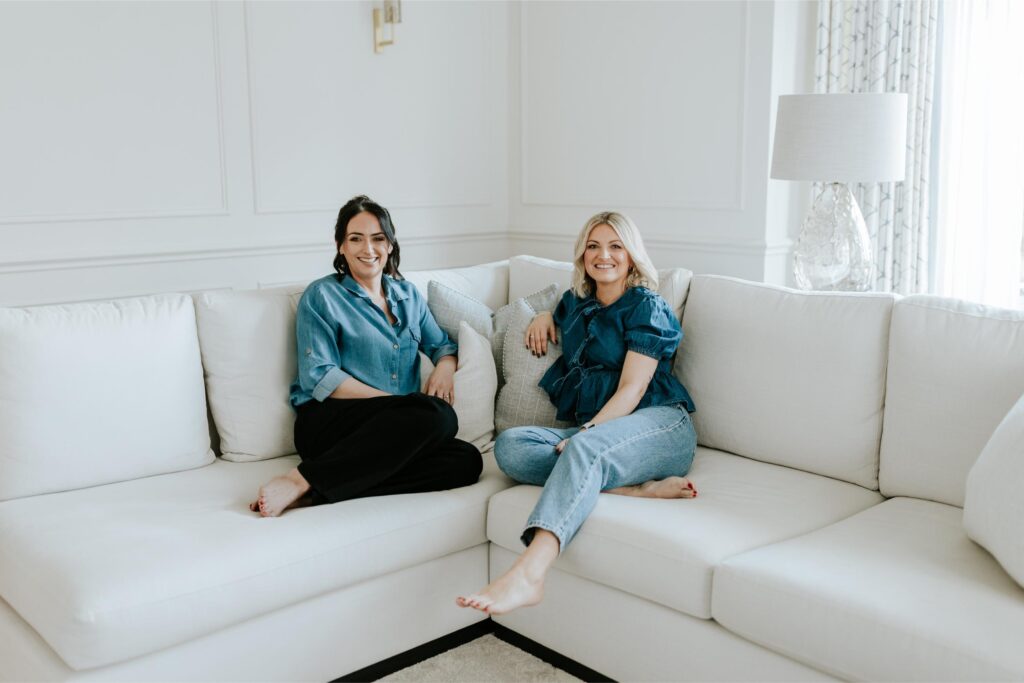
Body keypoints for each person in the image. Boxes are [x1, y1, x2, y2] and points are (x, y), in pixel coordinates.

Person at [456, 211, 697, 614]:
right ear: (582, 254)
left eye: (616, 246)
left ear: (632, 255)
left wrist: (587, 432)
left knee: (584, 447)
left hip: (660, 422)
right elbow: (559, 310)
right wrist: (543, 315)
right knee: (511, 447)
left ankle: (530, 572)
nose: (604, 255)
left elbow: (633, 388)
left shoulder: (646, 307)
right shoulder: (576, 303)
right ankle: (629, 489)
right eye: (593, 246)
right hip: (603, 436)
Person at [250, 195, 482, 516]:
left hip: (390, 429)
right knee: (440, 416)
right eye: (356, 239)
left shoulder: (408, 295)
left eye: (378, 238)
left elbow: (441, 345)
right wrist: (395, 404)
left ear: (390, 245)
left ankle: (317, 492)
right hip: (330, 421)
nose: (368, 249)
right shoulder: (322, 295)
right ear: (340, 246)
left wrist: (445, 366)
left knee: (466, 461)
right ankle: (299, 478)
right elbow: (320, 376)